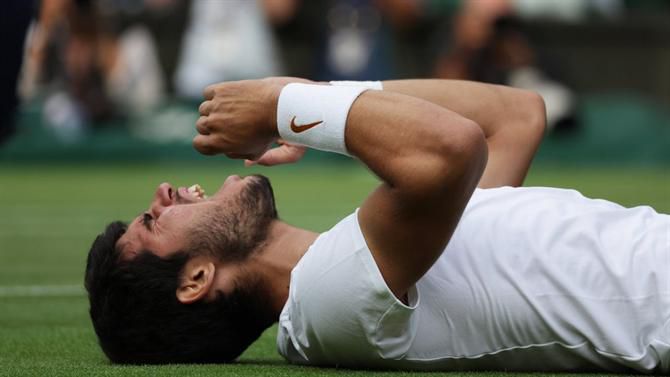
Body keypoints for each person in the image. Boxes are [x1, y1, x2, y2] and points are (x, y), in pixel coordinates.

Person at [85, 78, 670, 373]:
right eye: (152, 221)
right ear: (196, 280)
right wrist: (285, 106)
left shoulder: (372, 257)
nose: (163, 196)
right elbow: (451, 146)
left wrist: (310, 100)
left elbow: (511, 117)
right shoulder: (321, 303)